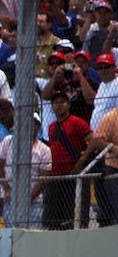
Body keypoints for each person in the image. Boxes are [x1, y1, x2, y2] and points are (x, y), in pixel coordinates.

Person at [44, 92, 95, 229]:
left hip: (74, 173)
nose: (59, 105)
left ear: (69, 105)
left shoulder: (77, 122)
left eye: (62, 102)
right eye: (56, 102)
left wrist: (82, 160)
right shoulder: (51, 127)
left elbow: (93, 140)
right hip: (56, 175)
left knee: (75, 212)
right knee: (54, 216)